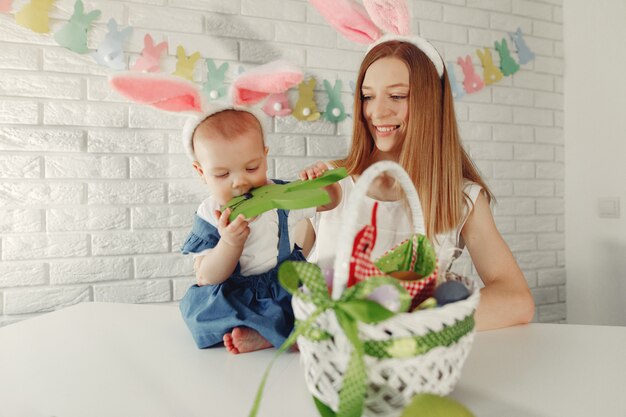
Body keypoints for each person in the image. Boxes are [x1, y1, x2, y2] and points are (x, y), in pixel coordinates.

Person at [298, 39, 534, 331]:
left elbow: (517, 300)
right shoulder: (331, 182)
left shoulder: (461, 198)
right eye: (367, 96)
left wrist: (415, 324)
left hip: (410, 363)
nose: (377, 111)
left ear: (430, 103)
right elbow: (280, 271)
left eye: (397, 96)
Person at [179, 108, 341, 354]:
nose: (240, 182)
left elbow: (329, 202)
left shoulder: (281, 195)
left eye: (252, 168)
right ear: (201, 172)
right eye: (222, 174)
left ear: (265, 156)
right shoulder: (209, 212)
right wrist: (229, 243)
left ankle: (267, 335)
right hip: (237, 292)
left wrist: (323, 182)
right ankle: (269, 331)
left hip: (284, 283)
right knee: (202, 313)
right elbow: (207, 277)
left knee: (330, 302)